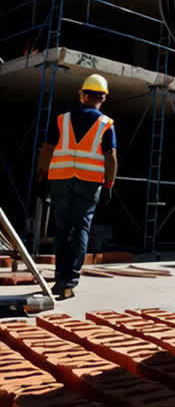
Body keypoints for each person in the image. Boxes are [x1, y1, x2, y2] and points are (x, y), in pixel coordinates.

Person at [36, 74, 117, 299]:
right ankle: (69, 281)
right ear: (103, 98)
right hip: (89, 183)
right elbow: (110, 156)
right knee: (81, 227)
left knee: (62, 229)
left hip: (60, 179)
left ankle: (60, 277)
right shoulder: (106, 124)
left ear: (82, 95)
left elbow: (47, 148)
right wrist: (109, 182)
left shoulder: (61, 119)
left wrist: (41, 177)